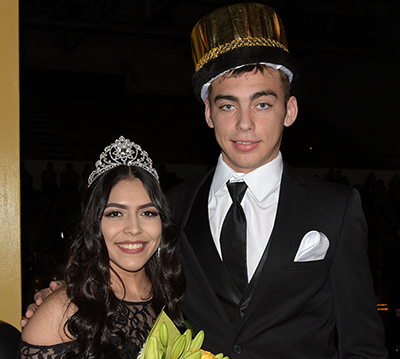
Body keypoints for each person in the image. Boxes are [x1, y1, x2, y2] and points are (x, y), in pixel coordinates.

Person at [24, 3, 388, 358]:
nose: (244, 123)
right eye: (228, 105)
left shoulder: (335, 208)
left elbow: (363, 344)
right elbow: (125, 282)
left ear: (288, 110)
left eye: (262, 104)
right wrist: (60, 300)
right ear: (208, 113)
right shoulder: (170, 209)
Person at [18, 136, 185, 359]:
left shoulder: (178, 297)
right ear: (94, 223)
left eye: (148, 213)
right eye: (115, 213)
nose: (133, 229)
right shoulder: (62, 312)